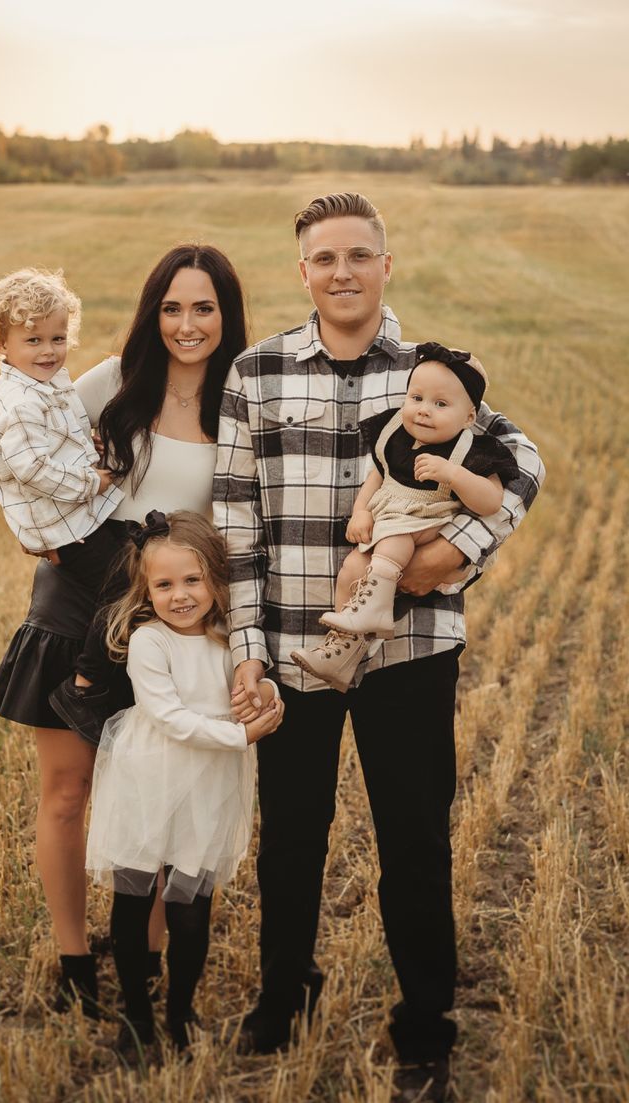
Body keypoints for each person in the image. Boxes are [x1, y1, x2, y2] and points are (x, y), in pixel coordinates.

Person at [213, 193, 544, 1101]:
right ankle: (286, 992)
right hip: (294, 644)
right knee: (291, 838)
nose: (344, 272)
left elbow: (525, 465)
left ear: (386, 266)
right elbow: (236, 517)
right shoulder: (259, 369)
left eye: (360, 254)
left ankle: (425, 1022)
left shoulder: (434, 370)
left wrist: (453, 554)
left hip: (410, 647)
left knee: (413, 837)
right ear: (304, 271)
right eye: (326, 258)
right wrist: (245, 644)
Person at [0, 245, 248, 1019]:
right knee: (68, 792)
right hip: (78, 605)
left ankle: (150, 956)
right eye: (172, 307)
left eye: (204, 308)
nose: (187, 324)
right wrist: (36, 530)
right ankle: (74, 959)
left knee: (166, 796)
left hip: (171, 622)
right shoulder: (107, 381)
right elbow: (15, 448)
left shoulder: (240, 402)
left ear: (226, 316)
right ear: (150, 313)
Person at [85, 510, 283, 1053]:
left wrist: (265, 700)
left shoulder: (230, 643)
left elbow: (251, 694)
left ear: (217, 582)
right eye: (164, 584)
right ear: (146, 590)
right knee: (133, 901)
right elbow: (169, 718)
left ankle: (179, 1013)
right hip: (149, 778)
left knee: (191, 910)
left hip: (207, 787)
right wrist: (240, 739)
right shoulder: (150, 641)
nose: (180, 595)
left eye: (192, 580)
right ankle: (136, 1019)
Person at [291, 341, 519, 690]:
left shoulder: (471, 451)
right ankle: (342, 646)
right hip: (388, 519)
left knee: (395, 538)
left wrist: (454, 474)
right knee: (351, 569)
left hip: (427, 519)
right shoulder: (394, 436)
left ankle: (375, 609)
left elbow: (491, 501)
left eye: (440, 404)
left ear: (470, 417)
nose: (424, 411)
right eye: (416, 399)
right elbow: (376, 478)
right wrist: (360, 513)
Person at [0, 267, 124, 594]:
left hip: (75, 519)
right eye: (33, 340)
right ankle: (96, 648)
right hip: (65, 530)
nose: (49, 351)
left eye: (57, 338)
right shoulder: (21, 403)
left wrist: (89, 445)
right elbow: (32, 469)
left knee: (127, 572)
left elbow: (57, 436)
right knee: (121, 594)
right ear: (1, 343)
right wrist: (90, 482)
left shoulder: (43, 383)